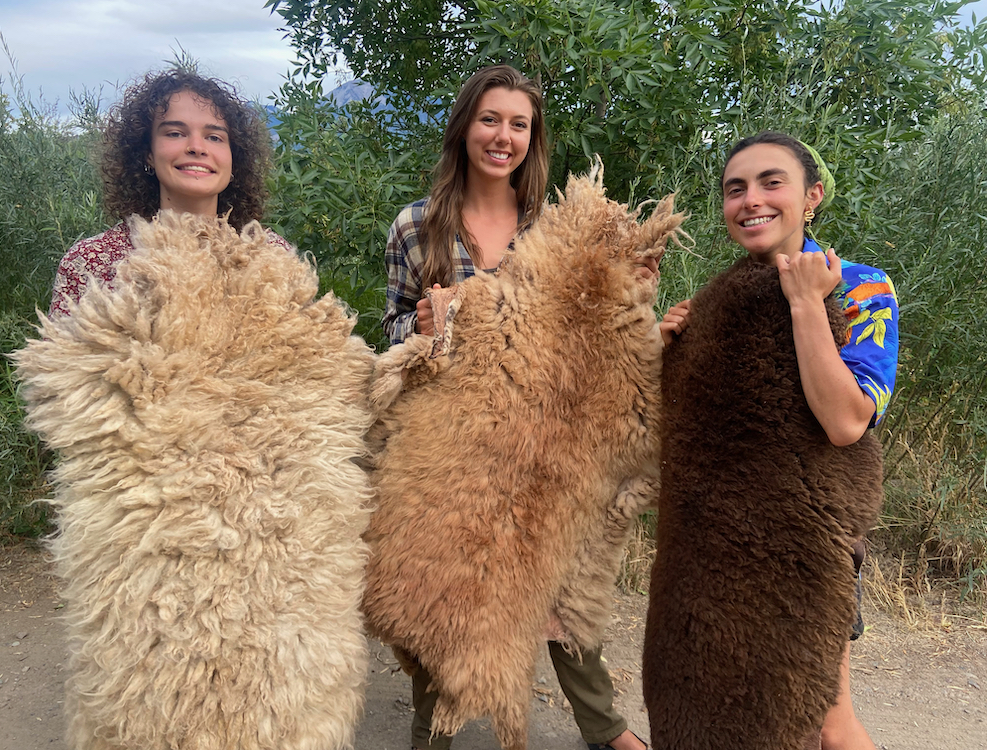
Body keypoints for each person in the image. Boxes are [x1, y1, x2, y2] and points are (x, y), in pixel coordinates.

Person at [382, 64, 651, 750]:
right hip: (458, 444)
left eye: (519, 125)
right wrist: (421, 326)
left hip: (545, 436)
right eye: (490, 120)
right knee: (449, 594)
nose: (503, 136)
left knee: (561, 579)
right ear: (465, 127)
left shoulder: (555, 229)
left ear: (533, 139)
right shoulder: (417, 226)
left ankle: (607, 730)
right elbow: (391, 332)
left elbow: (601, 326)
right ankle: (432, 735)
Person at [659, 131, 899, 750]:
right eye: (735, 189)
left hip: (807, 544)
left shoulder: (861, 288)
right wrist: (665, 352)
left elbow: (847, 421)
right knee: (735, 711)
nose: (751, 200)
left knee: (827, 720)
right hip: (721, 548)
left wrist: (805, 306)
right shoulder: (718, 300)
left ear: (811, 196)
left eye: (772, 182)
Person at [49, 68, 290, 317]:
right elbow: (58, 355)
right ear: (148, 153)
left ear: (234, 159)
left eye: (215, 137)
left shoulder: (273, 258)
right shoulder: (91, 262)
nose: (197, 147)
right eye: (175, 133)